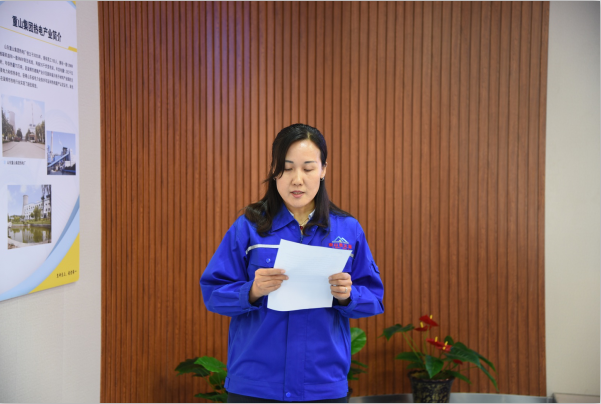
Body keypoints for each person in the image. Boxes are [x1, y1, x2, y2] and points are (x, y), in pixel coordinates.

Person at [200, 123, 384, 403]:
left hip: (322, 385)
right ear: (275, 171)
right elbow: (213, 293)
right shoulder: (248, 227)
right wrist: (252, 291)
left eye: (308, 168)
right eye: (287, 168)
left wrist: (348, 296)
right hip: (255, 386)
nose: (297, 179)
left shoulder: (348, 230)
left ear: (323, 170)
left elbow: (374, 298)